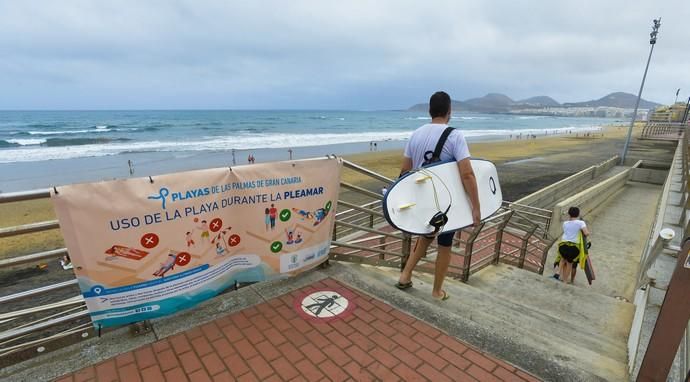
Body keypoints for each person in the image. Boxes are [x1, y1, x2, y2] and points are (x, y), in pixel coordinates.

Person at [396, 91, 481, 301]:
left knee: (425, 236)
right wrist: (476, 206)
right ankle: (436, 291)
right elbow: (467, 174)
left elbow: (404, 173)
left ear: (429, 111)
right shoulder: (455, 135)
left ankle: (405, 275)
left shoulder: (415, 134)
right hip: (445, 203)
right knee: (444, 244)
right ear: (449, 111)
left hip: (422, 200)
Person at [557, 207, 590, 284]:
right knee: (569, 264)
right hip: (574, 248)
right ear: (578, 214)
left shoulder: (565, 223)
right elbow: (586, 233)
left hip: (563, 245)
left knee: (563, 259)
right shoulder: (581, 223)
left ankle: (558, 272)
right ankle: (565, 281)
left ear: (569, 214)